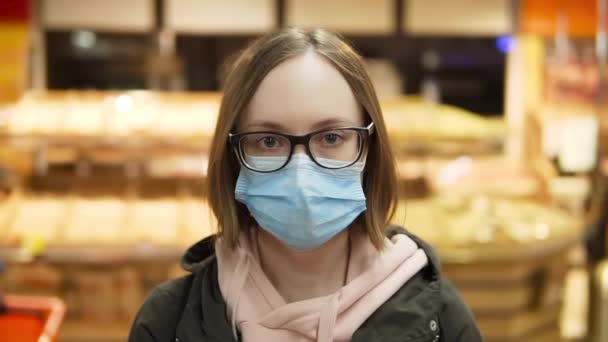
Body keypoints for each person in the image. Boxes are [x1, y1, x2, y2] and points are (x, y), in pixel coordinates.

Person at [129, 27, 481, 342]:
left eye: (331, 137)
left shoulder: (443, 322)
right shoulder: (166, 323)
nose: (301, 171)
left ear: (369, 151)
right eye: (268, 141)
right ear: (233, 155)